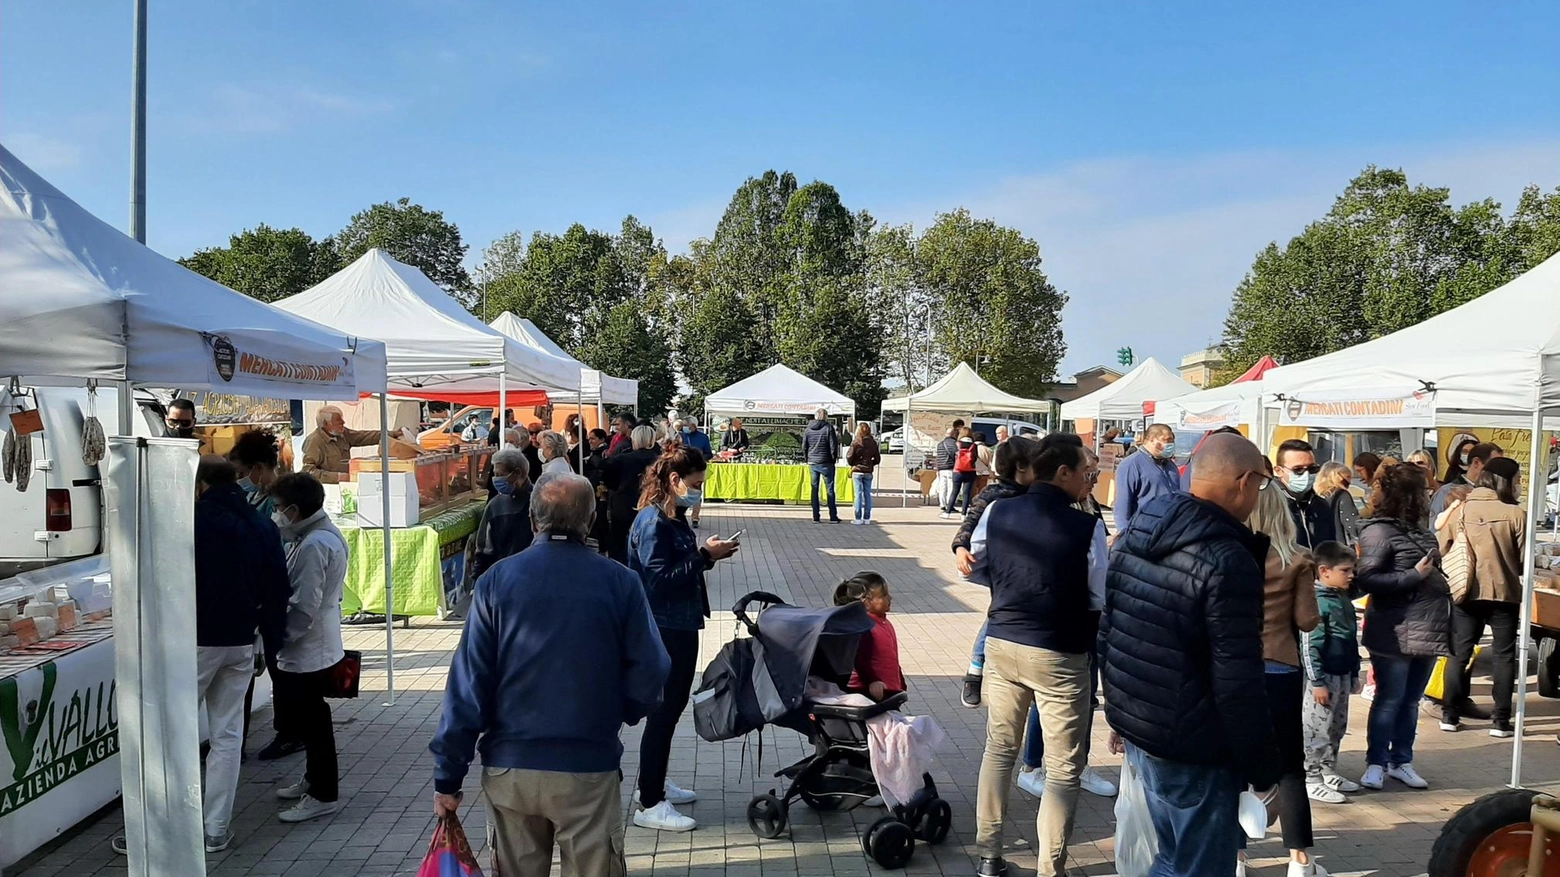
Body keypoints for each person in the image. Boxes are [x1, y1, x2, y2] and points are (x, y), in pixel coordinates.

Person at [431, 473, 669, 876]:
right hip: (587, 765)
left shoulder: (495, 582)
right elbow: (653, 668)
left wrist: (448, 776)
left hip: (512, 768)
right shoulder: (620, 582)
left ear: (532, 520)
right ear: (590, 521)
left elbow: (468, 685)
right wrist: (620, 710)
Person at [1099, 433, 1280, 877]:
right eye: (1262, 484)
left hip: (1148, 723)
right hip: (1192, 740)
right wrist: (1263, 766)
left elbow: (1109, 630)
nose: (1259, 496)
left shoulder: (1142, 526)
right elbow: (1237, 678)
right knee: (1198, 866)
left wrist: (1121, 716)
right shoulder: (1226, 557)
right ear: (1244, 481)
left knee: (1172, 858)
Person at [970, 433, 1103, 877]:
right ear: (1062, 472)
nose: (1090, 481)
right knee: (1064, 769)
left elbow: (979, 563)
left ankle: (989, 855)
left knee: (999, 749)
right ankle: (1051, 868)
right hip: (1060, 651)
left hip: (1004, 641)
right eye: (1086, 474)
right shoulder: (1086, 525)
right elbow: (1098, 594)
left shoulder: (998, 510)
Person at [629, 446, 739, 832]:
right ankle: (649, 801)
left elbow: (673, 570)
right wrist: (704, 557)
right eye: (695, 484)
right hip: (665, 627)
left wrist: (705, 555)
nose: (699, 490)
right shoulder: (653, 523)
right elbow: (658, 582)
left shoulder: (670, 518)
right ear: (674, 481)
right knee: (663, 711)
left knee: (670, 709)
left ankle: (655, 783)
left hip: (679, 623)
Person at [1245, 466, 1324, 877]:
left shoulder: (1234, 551)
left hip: (1236, 667)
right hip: (1280, 665)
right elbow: (1308, 620)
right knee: (1290, 765)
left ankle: (1235, 856)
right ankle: (1299, 861)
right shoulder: (1297, 559)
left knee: (1235, 764)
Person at [1355, 462, 1449, 791]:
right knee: (1389, 699)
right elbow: (1366, 577)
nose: (1427, 495)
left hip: (1427, 627)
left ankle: (1401, 760)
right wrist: (1414, 576)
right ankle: (1376, 763)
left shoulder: (1420, 530)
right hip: (1395, 628)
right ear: (1408, 495)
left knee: (1410, 701)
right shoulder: (1378, 530)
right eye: (1422, 491)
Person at [269, 473, 348, 823]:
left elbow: (304, 605)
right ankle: (314, 779)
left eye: (278, 509)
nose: (277, 515)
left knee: (313, 720)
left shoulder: (316, 544)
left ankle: (323, 792)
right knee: (310, 718)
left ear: (295, 510)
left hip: (308, 643)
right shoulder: (315, 536)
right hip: (314, 640)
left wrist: (278, 640)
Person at [1437, 456, 1525, 736]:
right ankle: (1500, 721)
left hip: (1465, 590)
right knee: (1503, 656)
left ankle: (1449, 715)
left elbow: (1442, 548)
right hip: (1504, 592)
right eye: (1517, 479)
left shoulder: (1461, 509)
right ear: (1505, 481)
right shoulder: (1515, 513)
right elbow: (1524, 560)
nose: (1519, 485)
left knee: (1459, 654)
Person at [954, 436, 1036, 708]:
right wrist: (960, 548)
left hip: (1030, 566)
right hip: (1003, 568)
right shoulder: (993, 495)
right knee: (999, 612)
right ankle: (975, 670)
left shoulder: (1038, 494)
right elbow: (969, 523)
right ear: (1021, 467)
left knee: (1005, 613)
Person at [1302, 541, 1363, 805]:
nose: (1351, 575)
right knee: (1317, 728)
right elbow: (1310, 644)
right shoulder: (1316, 603)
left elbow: (1350, 638)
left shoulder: (1343, 599)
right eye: (1346, 570)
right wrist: (1316, 681)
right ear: (1324, 571)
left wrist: (1354, 671)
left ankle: (1328, 770)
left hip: (1342, 674)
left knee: (1337, 726)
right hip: (1323, 678)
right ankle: (1311, 777)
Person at [834, 572, 905, 699]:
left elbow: (891, 656)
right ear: (866, 602)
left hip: (887, 689)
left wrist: (900, 681)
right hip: (867, 691)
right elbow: (860, 657)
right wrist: (872, 680)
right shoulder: (864, 627)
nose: (889, 598)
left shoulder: (884, 623)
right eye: (883, 595)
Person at [469, 448, 535, 581]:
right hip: (503, 579)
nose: (496, 479)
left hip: (533, 577)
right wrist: (477, 581)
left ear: (517, 473)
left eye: (500, 474)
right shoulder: (495, 505)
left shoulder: (540, 501)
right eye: (495, 474)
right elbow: (483, 551)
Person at [602, 425, 660, 563]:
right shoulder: (659, 460)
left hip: (623, 504)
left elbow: (608, 478)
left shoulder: (622, 459)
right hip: (651, 504)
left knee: (618, 543)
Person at [1113, 423, 1180, 533]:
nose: (1170, 444)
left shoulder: (1170, 465)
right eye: (1166, 440)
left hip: (1170, 531)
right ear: (1152, 440)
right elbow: (1122, 504)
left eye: (1172, 440)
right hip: (1144, 532)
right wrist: (1124, 534)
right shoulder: (1131, 464)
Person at [1274, 439, 1336, 549]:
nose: (1306, 474)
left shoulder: (1321, 505)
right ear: (1279, 471)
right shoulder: (1270, 505)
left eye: (1312, 468)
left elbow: (1330, 544)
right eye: (1297, 469)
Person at [300, 405, 380, 485]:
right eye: (338, 419)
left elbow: (364, 436)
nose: (343, 422)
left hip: (345, 487)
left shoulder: (343, 434)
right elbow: (307, 471)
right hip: (328, 490)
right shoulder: (314, 442)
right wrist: (338, 477)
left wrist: (389, 435)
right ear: (326, 423)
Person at [1431, 441, 1503, 518]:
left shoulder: (1497, 493)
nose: (1499, 470)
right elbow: (1434, 527)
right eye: (1495, 465)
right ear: (1476, 463)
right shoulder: (1446, 492)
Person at [230, 429, 283, 518]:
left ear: (259, 467)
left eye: (241, 473)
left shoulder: (278, 501)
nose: (238, 479)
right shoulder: (253, 495)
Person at [802, 408, 842, 524]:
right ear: (826, 417)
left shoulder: (808, 429)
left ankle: (816, 516)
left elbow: (804, 446)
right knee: (829, 489)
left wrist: (807, 458)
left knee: (814, 489)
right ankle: (833, 517)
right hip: (826, 462)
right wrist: (833, 459)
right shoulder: (828, 428)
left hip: (813, 462)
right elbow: (833, 446)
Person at [1316, 461, 1361, 548]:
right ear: (1336, 476)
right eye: (1347, 477)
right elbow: (1352, 525)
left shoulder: (1316, 496)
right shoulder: (1342, 495)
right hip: (1339, 546)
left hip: (1320, 546)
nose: (1349, 481)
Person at [846, 421, 881, 525]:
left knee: (858, 494)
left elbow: (849, 457)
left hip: (857, 470)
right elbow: (878, 459)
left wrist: (853, 464)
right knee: (867, 494)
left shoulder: (856, 442)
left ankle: (858, 518)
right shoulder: (873, 442)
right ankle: (867, 518)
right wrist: (870, 464)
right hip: (868, 470)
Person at [943, 428, 980, 519]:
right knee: (966, 493)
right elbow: (975, 458)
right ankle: (963, 514)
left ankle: (947, 513)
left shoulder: (957, 444)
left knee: (954, 492)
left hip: (958, 471)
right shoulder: (974, 445)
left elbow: (953, 455)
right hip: (970, 471)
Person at [933, 427, 959, 511]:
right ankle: (949, 505)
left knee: (943, 487)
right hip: (950, 468)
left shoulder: (940, 444)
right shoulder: (954, 443)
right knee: (951, 487)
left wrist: (938, 468)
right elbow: (956, 455)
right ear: (954, 434)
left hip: (941, 468)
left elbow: (938, 457)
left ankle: (942, 504)